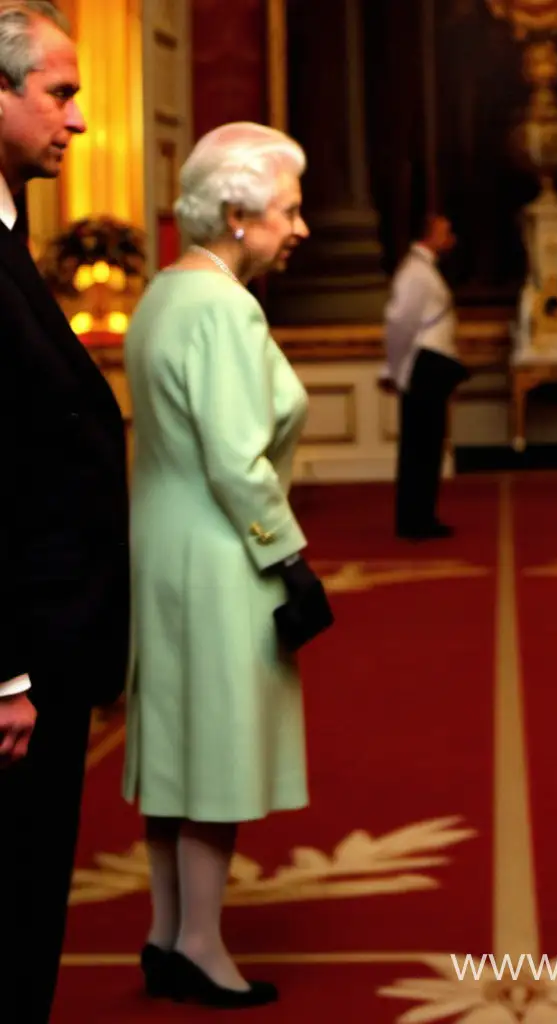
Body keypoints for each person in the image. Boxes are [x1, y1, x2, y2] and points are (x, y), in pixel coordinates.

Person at [121, 122, 332, 1009]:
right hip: (222, 552)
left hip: (165, 542)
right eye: (289, 210)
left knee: (175, 745)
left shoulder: (166, 292)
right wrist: (292, 560)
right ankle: (201, 944)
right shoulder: (223, 306)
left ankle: (169, 934)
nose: (301, 227)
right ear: (238, 215)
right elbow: (237, 461)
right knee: (214, 749)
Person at [0, 4, 130, 1021]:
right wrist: (4, 669)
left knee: (34, 898)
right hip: (16, 664)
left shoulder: (11, 225)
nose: (78, 122)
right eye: (60, 94)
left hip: (52, 642)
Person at [382, 212, 468, 539]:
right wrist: (394, 369)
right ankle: (414, 520)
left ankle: (422, 516)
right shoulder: (415, 273)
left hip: (429, 364)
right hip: (424, 365)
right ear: (428, 235)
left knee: (429, 444)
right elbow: (400, 324)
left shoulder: (424, 270)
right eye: (445, 232)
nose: (452, 238)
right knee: (420, 445)